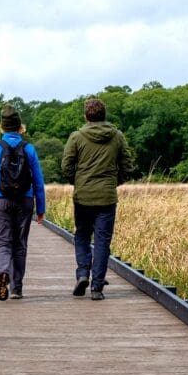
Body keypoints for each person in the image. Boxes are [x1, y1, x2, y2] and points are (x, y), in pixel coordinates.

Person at [61, 98, 135, 300]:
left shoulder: (76, 137)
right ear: (104, 115)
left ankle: (83, 273)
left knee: (82, 236)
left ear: (86, 116)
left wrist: (77, 181)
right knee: (102, 241)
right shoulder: (117, 137)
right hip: (107, 197)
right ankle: (97, 287)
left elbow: (66, 165)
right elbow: (127, 164)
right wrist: (115, 182)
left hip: (83, 195)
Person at [0, 104, 46, 301]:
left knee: (2, 242)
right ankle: (17, 288)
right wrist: (40, 208)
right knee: (20, 244)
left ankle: (3, 273)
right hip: (24, 200)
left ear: (1, 127)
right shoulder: (29, 148)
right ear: (20, 128)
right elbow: (38, 181)